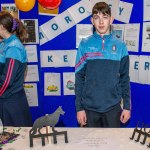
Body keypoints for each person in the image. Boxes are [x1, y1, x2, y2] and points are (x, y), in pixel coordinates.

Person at [75, 2, 131, 127]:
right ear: (92, 21)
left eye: (105, 17)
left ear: (111, 20)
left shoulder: (121, 46)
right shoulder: (84, 45)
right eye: (97, 17)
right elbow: (79, 78)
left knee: (113, 145)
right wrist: (79, 108)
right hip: (89, 108)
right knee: (91, 146)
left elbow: (124, 78)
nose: (101, 22)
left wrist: (127, 106)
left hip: (113, 108)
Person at [0, 12, 32, 127]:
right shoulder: (4, 44)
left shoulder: (13, 47)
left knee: (16, 140)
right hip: (5, 99)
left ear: (2, 27)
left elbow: (7, 80)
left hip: (11, 102)